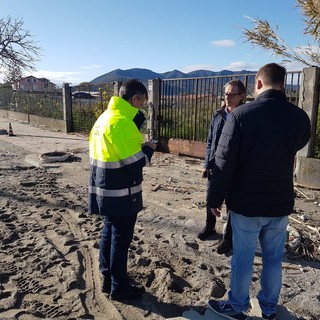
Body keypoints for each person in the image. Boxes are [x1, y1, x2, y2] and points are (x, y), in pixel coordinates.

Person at [206, 63, 311, 320]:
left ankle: (238, 305)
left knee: (243, 258)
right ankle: (269, 307)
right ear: (283, 84)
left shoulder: (240, 116)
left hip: (247, 203)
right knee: (274, 258)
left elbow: (223, 161)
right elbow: (300, 143)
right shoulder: (299, 117)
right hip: (280, 202)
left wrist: (214, 198)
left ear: (259, 84)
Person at [88, 79, 157, 301]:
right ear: (134, 99)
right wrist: (148, 149)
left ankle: (108, 278)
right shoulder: (121, 123)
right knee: (121, 238)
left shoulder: (105, 118)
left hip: (104, 187)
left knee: (108, 231)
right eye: (141, 103)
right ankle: (119, 286)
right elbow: (135, 162)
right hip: (122, 192)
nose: (141, 107)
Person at [198, 79, 246, 256]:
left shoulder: (244, 115)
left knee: (231, 202)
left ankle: (228, 237)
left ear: (241, 96)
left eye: (231, 94)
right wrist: (206, 164)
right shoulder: (218, 114)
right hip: (216, 165)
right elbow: (211, 140)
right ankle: (209, 226)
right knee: (211, 197)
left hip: (235, 168)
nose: (227, 97)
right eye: (225, 93)